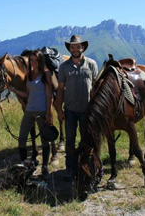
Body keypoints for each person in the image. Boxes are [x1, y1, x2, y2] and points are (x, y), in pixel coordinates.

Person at [54, 35, 98, 180]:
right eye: (72, 47)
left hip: (87, 110)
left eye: (78, 46)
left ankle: (87, 168)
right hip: (70, 110)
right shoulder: (64, 67)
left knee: (87, 141)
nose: (75, 49)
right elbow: (60, 89)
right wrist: (59, 109)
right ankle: (70, 169)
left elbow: (96, 89)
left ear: (83, 47)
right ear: (69, 49)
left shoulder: (91, 64)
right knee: (70, 141)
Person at [8, 50, 53, 180]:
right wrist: (13, 90)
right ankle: (23, 167)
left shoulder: (46, 74)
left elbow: (49, 95)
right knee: (22, 139)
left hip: (41, 111)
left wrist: (49, 112)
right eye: (31, 60)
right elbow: (28, 94)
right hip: (29, 110)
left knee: (45, 141)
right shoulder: (29, 75)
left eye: (36, 60)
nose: (33, 63)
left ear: (40, 61)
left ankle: (45, 168)